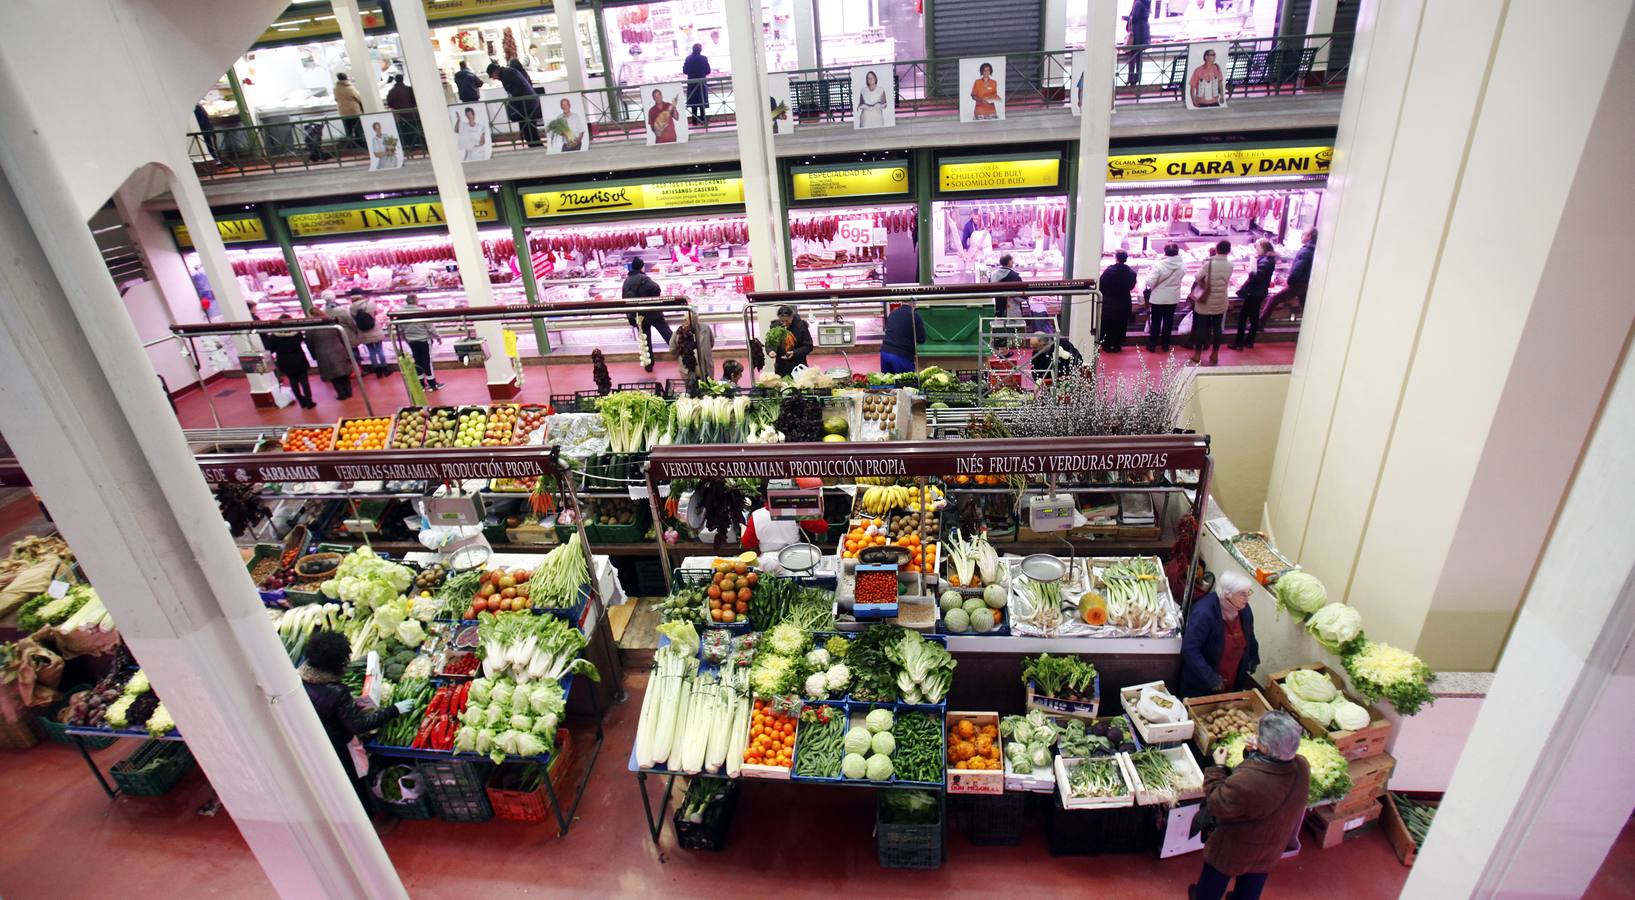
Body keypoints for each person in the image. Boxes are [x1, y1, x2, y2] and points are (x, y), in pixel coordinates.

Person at [1193, 711, 1311, 900]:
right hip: (1272, 844)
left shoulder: (1250, 781)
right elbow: (1269, 776)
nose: (1255, 735)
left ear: (1265, 748)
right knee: (1252, 883)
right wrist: (1253, 753)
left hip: (1236, 846)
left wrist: (1219, 767)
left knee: (1214, 880)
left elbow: (1217, 802)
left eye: (1259, 736)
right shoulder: (1302, 766)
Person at [300, 630, 416, 811]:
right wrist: (394, 710)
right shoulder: (336, 692)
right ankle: (370, 819)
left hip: (317, 742)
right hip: (340, 745)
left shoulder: (301, 679)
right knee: (356, 785)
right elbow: (359, 725)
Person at [1179, 569, 1259, 697]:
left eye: (1248, 593)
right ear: (1227, 594)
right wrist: (1211, 677)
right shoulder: (1204, 613)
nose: (1247, 598)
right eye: (1242, 594)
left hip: (1232, 677)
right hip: (1202, 683)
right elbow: (1190, 649)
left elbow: (1250, 635)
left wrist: (1253, 656)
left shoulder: (1244, 609)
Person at [741, 477, 829, 561]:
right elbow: (822, 527)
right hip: (795, 558)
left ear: (763, 497)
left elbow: (747, 543)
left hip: (768, 561)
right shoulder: (795, 510)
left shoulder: (756, 516)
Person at [621, 258, 671, 372]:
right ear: (642, 267)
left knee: (645, 340)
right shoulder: (644, 278)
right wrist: (652, 300)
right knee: (667, 334)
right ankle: (681, 353)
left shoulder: (627, 280)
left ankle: (648, 365)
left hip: (638, 315)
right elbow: (656, 288)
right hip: (652, 313)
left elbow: (624, 298)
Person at [1190, 240, 1232, 366]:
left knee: (1201, 329)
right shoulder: (1230, 265)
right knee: (1217, 329)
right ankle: (1214, 354)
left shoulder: (1209, 264)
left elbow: (1197, 277)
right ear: (1229, 251)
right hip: (1221, 301)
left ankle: (1197, 355)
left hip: (1205, 300)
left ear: (1217, 249)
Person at [1261, 228, 1315, 327]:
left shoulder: (1305, 251)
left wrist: (1290, 281)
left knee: (1274, 299)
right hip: (1307, 283)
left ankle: (1259, 324)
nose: (1301, 236)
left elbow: (1298, 269)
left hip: (1298, 284)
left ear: (1309, 236)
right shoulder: (1314, 250)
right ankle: (1306, 328)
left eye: (1303, 234)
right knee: (1304, 308)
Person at [308, 293, 356, 400]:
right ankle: (349, 392)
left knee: (334, 376)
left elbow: (310, 344)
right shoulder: (331, 323)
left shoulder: (311, 329)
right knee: (344, 373)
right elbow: (341, 336)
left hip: (323, 354)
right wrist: (345, 349)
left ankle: (341, 394)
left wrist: (314, 356)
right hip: (338, 350)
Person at [263, 316, 316, 409]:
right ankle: (309, 402)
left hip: (284, 359)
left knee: (293, 381)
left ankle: (301, 401)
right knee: (304, 381)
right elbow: (302, 341)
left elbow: (271, 348)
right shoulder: (296, 333)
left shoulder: (274, 336)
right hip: (299, 357)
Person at [395, 293, 444, 391]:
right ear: (416, 301)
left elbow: (400, 329)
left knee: (417, 361)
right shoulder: (421, 311)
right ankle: (432, 383)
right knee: (427, 361)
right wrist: (438, 337)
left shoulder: (400, 313)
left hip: (411, 341)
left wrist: (405, 338)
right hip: (424, 340)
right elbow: (430, 327)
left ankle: (421, 384)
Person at [1232, 240, 1276, 350]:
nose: (1256, 248)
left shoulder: (1265, 261)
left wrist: (1250, 271)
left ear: (1263, 248)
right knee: (1254, 317)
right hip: (1260, 292)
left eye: (1257, 246)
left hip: (1254, 293)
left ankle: (1239, 343)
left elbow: (1257, 277)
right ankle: (1249, 341)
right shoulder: (1268, 259)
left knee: (1243, 317)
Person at [488, 62, 542, 146]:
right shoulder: (507, 72)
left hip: (526, 103)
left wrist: (512, 102)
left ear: (495, 72)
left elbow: (515, 91)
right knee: (528, 127)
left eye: (492, 76)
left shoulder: (506, 74)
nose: (494, 79)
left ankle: (535, 145)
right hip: (527, 101)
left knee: (529, 128)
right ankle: (534, 144)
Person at [1144, 243, 1186, 352]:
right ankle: (1165, 345)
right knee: (1168, 321)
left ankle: (1153, 344)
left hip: (1158, 297)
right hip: (1173, 297)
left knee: (1156, 321)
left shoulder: (1159, 265)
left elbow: (1150, 282)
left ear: (1165, 252)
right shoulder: (1182, 265)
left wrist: (1147, 275)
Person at [1099, 249, 1138, 353]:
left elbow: (1101, 284)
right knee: (1121, 324)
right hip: (1124, 301)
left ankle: (1107, 344)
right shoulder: (1131, 272)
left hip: (1109, 301)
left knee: (1108, 324)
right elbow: (1131, 286)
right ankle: (1117, 344)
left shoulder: (1109, 270)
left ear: (1116, 258)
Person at [348, 289, 388, 375]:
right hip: (374, 329)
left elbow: (353, 318)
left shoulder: (352, 307)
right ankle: (385, 368)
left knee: (371, 351)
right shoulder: (370, 303)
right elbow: (376, 313)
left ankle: (377, 371)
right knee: (379, 349)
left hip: (363, 331)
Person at [879, 303, 926, 375]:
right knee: (906, 383)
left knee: (888, 383)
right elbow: (921, 339)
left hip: (885, 352)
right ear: (914, 303)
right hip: (901, 355)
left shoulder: (893, 313)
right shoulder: (915, 315)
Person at [770, 306, 813, 377]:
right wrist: (770, 351)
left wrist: (794, 353)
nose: (784, 324)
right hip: (781, 367)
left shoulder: (800, 326)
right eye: (782, 321)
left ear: (792, 317)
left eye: (787, 321)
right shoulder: (775, 326)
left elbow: (809, 346)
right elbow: (770, 343)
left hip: (798, 366)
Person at [674, 307, 714, 380]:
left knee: (708, 389)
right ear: (685, 319)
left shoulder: (706, 328)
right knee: (691, 389)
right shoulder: (679, 333)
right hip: (688, 372)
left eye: (695, 318)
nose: (693, 321)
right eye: (690, 319)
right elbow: (673, 349)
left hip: (706, 371)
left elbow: (711, 343)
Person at [333, 73, 365, 150]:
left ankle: (352, 146)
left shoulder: (336, 89)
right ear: (346, 78)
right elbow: (359, 98)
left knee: (348, 131)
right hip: (354, 112)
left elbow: (336, 99)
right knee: (358, 130)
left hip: (343, 113)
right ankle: (361, 146)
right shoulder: (350, 88)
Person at [682, 43, 712, 125]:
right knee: (702, 101)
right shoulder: (703, 58)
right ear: (700, 50)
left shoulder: (688, 58)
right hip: (701, 83)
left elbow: (685, 71)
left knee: (693, 103)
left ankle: (694, 121)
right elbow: (708, 70)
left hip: (692, 83)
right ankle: (703, 120)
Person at [1123, 0, 1151, 85]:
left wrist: (1125, 18)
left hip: (1136, 34)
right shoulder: (1146, 3)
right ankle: (1138, 78)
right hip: (1142, 34)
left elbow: (1134, 17)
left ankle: (1131, 78)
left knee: (1132, 57)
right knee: (1139, 57)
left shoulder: (1138, 3)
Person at [989, 253, 1023, 318]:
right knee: (1013, 326)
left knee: (1000, 324)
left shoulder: (993, 274)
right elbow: (1020, 295)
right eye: (1012, 260)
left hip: (997, 306)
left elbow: (990, 289)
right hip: (1012, 308)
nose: (1013, 262)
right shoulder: (1015, 276)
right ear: (1009, 262)